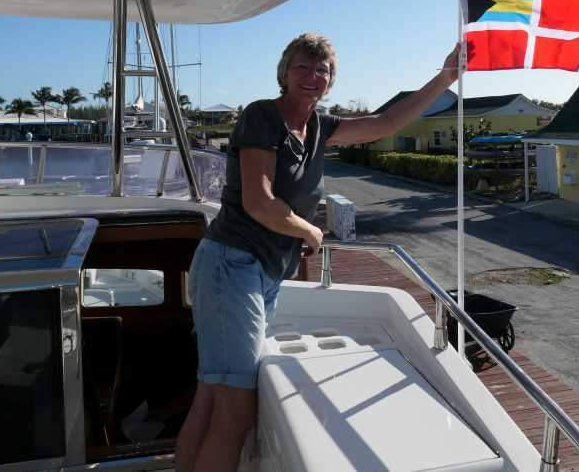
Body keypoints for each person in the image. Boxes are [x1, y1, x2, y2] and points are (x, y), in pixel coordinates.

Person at [175, 33, 459, 472]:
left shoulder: (321, 126)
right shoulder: (262, 116)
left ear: (330, 80)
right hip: (232, 265)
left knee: (213, 396)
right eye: (303, 67)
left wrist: (446, 77)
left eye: (321, 70)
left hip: (259, 272)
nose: (312, 76)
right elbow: (259, 202)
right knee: (235, 412)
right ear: (285, 73)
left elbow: (386, 123)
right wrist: (310, 231)